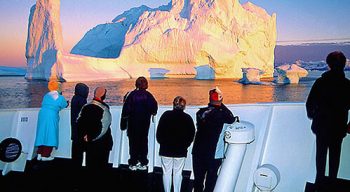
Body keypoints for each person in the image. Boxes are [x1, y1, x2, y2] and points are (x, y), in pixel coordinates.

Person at [306, 51, 350, 187]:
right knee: (335, 158)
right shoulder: (347, 85)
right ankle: (332, 183)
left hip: (322, 126)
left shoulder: (321, 82)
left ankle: (319, 184)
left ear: (329, 64)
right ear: (343, 65)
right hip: (338, 127)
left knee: (321, 156)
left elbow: (310, 103)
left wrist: (315, 115)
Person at [192, 87, 236, 192]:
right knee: (210, 182)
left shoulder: (200, 113)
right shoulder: (223, 115)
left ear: (209, 99)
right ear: (220, 100)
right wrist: (221, 104)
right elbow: (231, 117)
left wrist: (215, 102)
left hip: (198, 152)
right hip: (213, 155)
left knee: (198, 180)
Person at [156, 96, 195, 192]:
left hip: (166, 149)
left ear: (173, 104)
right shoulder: (187, 118)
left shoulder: (166, 115)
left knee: (166, 172)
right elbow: (191, 134)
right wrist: (185, 145)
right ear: (184, 106)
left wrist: (163, 143)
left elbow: (159, 133)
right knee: (178, 173)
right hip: (180, 150)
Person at [120, 76, 158, 171]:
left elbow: (126, 110)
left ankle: (133, 163)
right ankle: (143, 162)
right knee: (143, 143)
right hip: (144, 124)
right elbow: (154, 108)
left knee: (133, 143)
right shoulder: (148, 95)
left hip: (133, 124)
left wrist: (123, 123)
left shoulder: (131, 95)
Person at [77, 87, 113, 175]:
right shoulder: (104, 109)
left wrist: (85, 136)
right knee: (101, 167)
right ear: (103, 95)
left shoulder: (85, 107)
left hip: (88, 143)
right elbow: (104, 128)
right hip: (102, 143)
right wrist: (92, 137)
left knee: (90, 166)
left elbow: (79, 121)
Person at [34, 80, 69, 161]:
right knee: (50, 134)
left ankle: (39, 153)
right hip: (51, 115)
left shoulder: (46, 95)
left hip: (42, 114)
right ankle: (45, 155)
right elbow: (64, 104)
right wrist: (67, 103)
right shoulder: (59, 97)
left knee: (42, 133)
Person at [70, 83, 89, 176]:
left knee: (75, 152)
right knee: (79, 151)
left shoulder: (74, 98)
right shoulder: (82, 101)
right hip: (80, 131)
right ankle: (78, 171)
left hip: (75, 130)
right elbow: (83, 116)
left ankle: (75, 169)